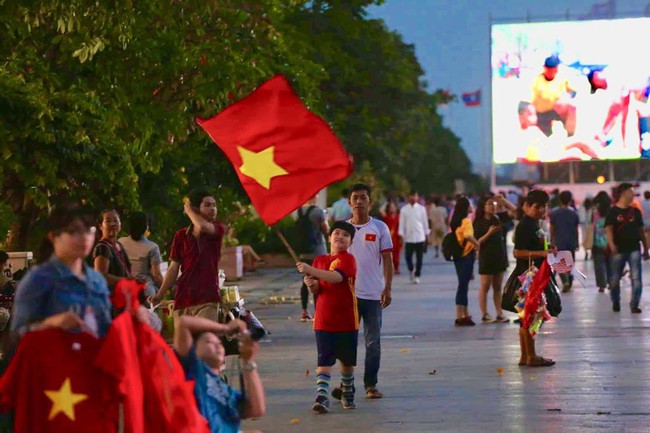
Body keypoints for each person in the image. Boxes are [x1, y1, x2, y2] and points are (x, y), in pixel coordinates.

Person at [11, 206, 112, 338]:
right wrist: (48, 324)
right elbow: (16, 336)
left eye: (89, 230)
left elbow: (106, 331)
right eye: (74, 231)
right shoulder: (38, 279)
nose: (84, 237)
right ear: (53, 237)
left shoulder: (96, 280)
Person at [336, 183, 393, 400]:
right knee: (346, 342)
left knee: (373, 342)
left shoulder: (380, 228)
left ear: (370, 201)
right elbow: (334, 260)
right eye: (355, 198)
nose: (359, 202)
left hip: (372, 295)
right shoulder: (342, 230)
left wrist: (387, 287)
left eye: (363, 198)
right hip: (347, 295)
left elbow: (387, 259)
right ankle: (345, 384)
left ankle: (370, 384)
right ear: (349, 202)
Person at [297, 221, 358, 413]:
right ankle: (322, 396)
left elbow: (336, 278)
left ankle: (347, 391)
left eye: (345, 235)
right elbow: (317, 288)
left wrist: (309, 270)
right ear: (329, 237)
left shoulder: (348, 260)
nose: (340, 237)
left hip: (347, 320)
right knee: (324, 361)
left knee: (346, 362)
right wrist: (310, 283)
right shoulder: (319, 260)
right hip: (323, 319)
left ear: (350, 242)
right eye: (336, 233)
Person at [174, 315, 265, 433]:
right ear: (194, 350)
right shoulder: (193, 368)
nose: (218, 345)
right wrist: (225, 328)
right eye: (209, 342)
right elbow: (184, 322)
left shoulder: (227, 391)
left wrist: (248, 361)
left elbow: (257, 409)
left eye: (220, 343)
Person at [151, 191, 226, 321]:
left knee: (206, 339)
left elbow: (202, 226)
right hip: (183, 299)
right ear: (197, 208)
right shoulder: (181, 236)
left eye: (214, 205)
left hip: (208, 297)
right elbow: (173, 268)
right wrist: (160, 294)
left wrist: (189, 210)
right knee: (185, 342)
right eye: (208, 205)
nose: (213, 209)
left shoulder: (217, 229)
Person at [510, 190, 556, 367]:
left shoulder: (536, 224)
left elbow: (538, 244)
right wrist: (541, 252)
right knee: (530, 315)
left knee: (527, 316)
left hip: (536, 274)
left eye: (544, 207)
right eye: (537, 207)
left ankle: (525, 356)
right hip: (528, 277)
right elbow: (518, 252)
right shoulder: (524, 225)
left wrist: (548, 248)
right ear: (526, 206)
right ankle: (531, 356)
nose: (541, 210)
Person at [605, 183, 650, 313]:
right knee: (614, 279)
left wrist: (646, 248)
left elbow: (641, 231)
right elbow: (608, 229)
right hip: (618, 250)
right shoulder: (613, 212)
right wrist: (612, 244)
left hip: (634, 248)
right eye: (631, 192)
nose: (633, 195)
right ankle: (615, 301)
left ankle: (634, 304)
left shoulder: (635, 212)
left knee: (636, 278)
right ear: (624, 193)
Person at [473, 195, 515, 323]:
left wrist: (503, 201)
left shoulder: (498, 218)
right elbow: (477, 242)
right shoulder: (478, 222)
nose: (492, 206)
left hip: (499, 256)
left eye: (493, 204)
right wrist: (489, 233)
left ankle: (499, 313)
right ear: (483, 207)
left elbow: (514, 211)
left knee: (498, 287)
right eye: (489, 204)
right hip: (486, 257)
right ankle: (485, 313)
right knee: (485, 286)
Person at [296, 195, 329, 322]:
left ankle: (304, 311)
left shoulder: (299, 211)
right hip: (318, 251)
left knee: (305, 281)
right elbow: (326, 229)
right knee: (317, 281)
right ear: (315, 197)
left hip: (303, 252)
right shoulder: (318, 212)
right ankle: (318, 312)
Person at [449, 197, 480, 326]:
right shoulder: (466, 220)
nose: (472, 206)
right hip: (466, 255)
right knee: (463, 285)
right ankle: (459, 316)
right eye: (470, 204)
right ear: (466, 207)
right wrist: (477, 244)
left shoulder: (455, 221)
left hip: (457, 256)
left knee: (463, 284)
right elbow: (468, 235)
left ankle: (465, 314)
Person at [118, 212, 163, 297]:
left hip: (124, 290)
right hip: (145, 292)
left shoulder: (120, 242)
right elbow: (156, 275)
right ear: (146, 226)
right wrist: (164, 290)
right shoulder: (152, 247)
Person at [530, 55, 578, 137]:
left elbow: (573, 91)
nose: (552, 73)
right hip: (542, 114)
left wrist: (566, 97)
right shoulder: (537, 80)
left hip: (558, 111)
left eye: (554, 70)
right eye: (550, 70)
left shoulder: (562, 77)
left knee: (572, 107)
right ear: (545, 68)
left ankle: (571, 135)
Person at [93, 209, 132, 290]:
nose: (113, 224)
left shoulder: (119, 245)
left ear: (120, 224)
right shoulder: (102, 247)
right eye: (108, 221)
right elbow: (100, 276)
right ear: (101, 226)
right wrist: (126, 280)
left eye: (116, 220)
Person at [549, 191, 580, 293]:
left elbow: (552, 228)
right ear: (570, 200)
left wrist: (551, 240)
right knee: (570, 262)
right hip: (570, 241)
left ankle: (565, 281)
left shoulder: (554, 213)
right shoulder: (574, 213)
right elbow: (576, 230)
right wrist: (577, 242)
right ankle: (569, 282)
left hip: (559, 241)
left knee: (559, 261)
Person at [398, 191, 430, 283]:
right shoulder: (404, 209)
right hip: (409, 238)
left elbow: (425, 222)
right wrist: (401, 234)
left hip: (420, 236)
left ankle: (417, 275)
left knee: (419, 258)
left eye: (414, 196)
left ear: (417, 197)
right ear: (408, 197)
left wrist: (426, 234)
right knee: (408, 257)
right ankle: (411, 269)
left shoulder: (421, 209)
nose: (412, 198)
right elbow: (402, 224)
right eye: (411, 196)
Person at [592, 191, 612, 293]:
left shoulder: (595, 213)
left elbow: (595, 229)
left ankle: (602, 285)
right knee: (610, 263)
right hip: (611, 242)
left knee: (599, 265)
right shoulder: (612, 212)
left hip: (597, 243)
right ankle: (611, 283)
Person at [382, 201, 401, 274]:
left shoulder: (398, 217)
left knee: (397, 254)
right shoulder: (386, 217)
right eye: (390, 207)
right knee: (389, 254)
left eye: (393, 207)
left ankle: (396, 268)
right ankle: (390, 268)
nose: (392, 209)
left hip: (396, 237)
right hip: (388, 238)